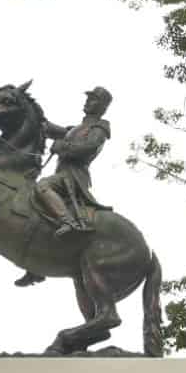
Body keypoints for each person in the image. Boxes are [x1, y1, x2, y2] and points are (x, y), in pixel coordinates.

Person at [15, 87, 114, 287]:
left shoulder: (100, 128)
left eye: (93, 100)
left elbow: (89, 149)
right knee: (33, 208)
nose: (88, 102)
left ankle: (70, 223)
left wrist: (61, 147)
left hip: (73, 177)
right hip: (60, 176)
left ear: (102, 106)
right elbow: (48, 128)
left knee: (42, 187)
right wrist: (26, 108)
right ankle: (36, 267)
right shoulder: (74, 128)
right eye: (88, 98)